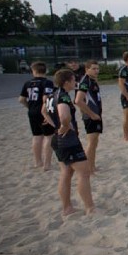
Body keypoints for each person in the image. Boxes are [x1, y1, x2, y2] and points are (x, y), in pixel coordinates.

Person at [45, 68, 95, 215]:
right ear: (66, 82)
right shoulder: (63, 96)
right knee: (84, 174)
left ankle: (67, 207)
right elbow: (64, 114)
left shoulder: (50, 95)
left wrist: (55, 127)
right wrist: (65, 125)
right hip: (68, 140)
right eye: (73, 80)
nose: (75, 82)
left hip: (57, 139)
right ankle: (90, 207)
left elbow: (44, 111)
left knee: (66, 172)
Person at [18, 61, 55, 171]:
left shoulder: (27, 83)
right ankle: (47, 164)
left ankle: (37, 161)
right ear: (45, 70)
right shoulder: (47, 83)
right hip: (43, 111)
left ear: (33, 71)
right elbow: (47, 97)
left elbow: (21, 99)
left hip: (32, 111)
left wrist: (29, 107)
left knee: (37, 136)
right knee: (49, 136)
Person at [75, 60, 103, 172]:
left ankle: (92, 166)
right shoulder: (85, 81)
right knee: (91, 143)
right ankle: (87, 168)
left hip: (96, 114)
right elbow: (78, 101)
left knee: (95, 142)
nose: (96, 71)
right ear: (87, 69)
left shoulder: (92, 80)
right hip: (91, 116)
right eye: (94, 68)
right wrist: (91, 114)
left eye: (97, 68)